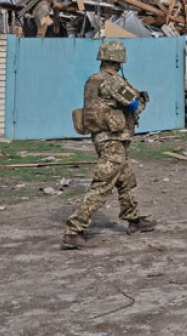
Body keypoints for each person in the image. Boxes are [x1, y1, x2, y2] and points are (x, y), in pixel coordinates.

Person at [62, 41, 155, 249]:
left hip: (104, 137)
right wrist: (143, 100)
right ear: (119, 61)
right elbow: (134, 105)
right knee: (102, 184)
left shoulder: (92, 80)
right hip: (112, 139)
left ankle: (133, 220)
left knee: (126, 181)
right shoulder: (113, 82)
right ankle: (74, 229)